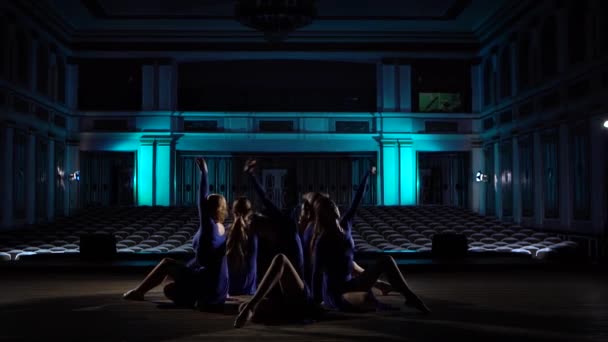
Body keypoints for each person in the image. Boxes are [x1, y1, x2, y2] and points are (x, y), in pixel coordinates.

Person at [310, 167, 430, 314]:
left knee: (386, 259)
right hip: (335, 293)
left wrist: (367, 174)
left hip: (351, 284)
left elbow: (357, 199)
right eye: (329, 207)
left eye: (333, 204)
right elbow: (316, 274)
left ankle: (410, 296)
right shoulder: (323, 240)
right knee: (366, 299)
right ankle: (371, 300)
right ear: (324, 215)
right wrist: (315, 303)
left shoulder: (345, 224)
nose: (334, 206)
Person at [123, 157, 229, 312]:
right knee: (170, 289)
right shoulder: (222, 229)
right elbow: (218, 263)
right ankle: (201, 299)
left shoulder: (209, 227)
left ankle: (139, 292)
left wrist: (204, 173)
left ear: (208, 208)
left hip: (206, 282)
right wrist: (226, 292)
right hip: (217, 287)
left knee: (166, 263)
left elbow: (200, 200)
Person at [299, 171, 393, 297]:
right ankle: (378, 284)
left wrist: (366, 176)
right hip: (322, 283)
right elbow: (312, 268)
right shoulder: (313, 232)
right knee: (347, 264)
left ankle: (379, 284)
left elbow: (357, 200)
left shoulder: (320, 227)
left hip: (327, 277)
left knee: (348, 262)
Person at [227, 196, 258, 296]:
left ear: (233, 212)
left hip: (230, 289)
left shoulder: (226, 232)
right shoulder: (254, 233)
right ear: (250, 212)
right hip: (249, 291)